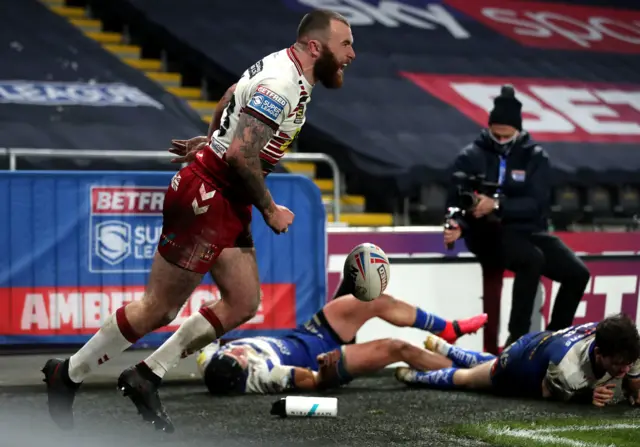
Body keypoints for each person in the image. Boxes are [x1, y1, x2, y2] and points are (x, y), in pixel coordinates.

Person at [42, 9, 356, 433]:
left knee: (243, 300)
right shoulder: (282, 82)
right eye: (346, 45)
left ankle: (146, 375)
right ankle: (69, 374)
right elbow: (241, 156)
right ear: (316, 47)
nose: (352, 54)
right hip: (208, 195)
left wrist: (211, 141)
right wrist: (269, 209)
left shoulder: (286, 69)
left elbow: (230, 95)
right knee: (160, 307)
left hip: (227, 193)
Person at [443, 84, 590, 353]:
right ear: (488, 128)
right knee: (530, 259)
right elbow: (455, 199)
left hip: (527, 229)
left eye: (506, 135)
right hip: (488, 233)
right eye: (495, 134)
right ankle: (517, 343)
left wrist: (497, 204)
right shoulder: (470, 155)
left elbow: (536, 204)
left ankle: (554, 341)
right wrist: (458, 225)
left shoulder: (535, 157)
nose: (500, 140)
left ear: (518, 131)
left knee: (578, 274)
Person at [195, 292, 488, 394]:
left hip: (307, 333)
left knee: (373, 300)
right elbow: (312, 381)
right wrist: (325, 372)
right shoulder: (265, 376)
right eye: (240, 358)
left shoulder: (211, 362)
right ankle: (474, 376)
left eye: (232, 352)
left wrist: (212, 315)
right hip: (324, 357)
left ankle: (448, 329)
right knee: (398, 348)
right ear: (246, 371)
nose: (238, 351)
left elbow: (206, 334)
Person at [396, 313, 640, 407]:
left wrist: (633, 383)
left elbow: (631, 369)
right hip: (522, 362)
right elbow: (550, 392)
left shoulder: (626, 346)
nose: (625, 367)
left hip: (543, 342)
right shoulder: (568, 371)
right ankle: (415, 376)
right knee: (470, 378)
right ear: (599, 354)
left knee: (490, 362)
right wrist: (586, 396)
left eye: (630, 362)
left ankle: (445, 348)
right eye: (619, 363)